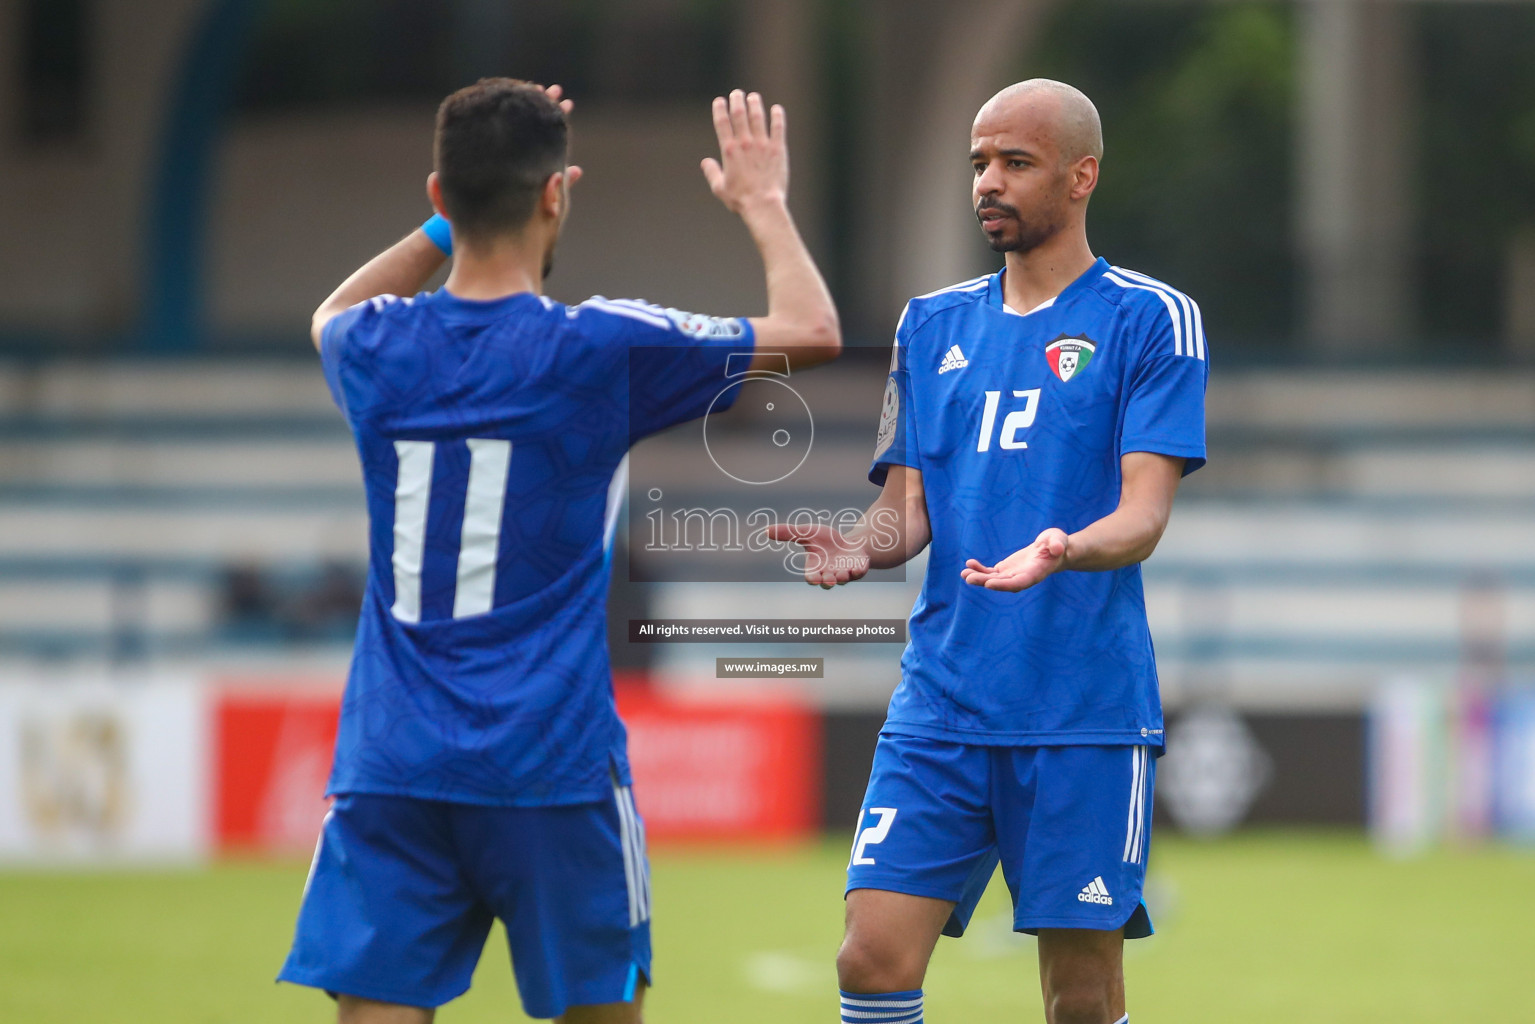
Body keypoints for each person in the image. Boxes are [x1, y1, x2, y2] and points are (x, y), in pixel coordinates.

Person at [279, 79, 839, 1024]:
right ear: (554, 195)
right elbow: (812, 332)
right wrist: (764, 203)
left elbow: (329, 312)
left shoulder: (376, 347)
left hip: (394, 760)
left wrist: (448, 221)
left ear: (438, 196)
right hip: (552, 763)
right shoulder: (599, 346)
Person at [772, 79, 1208, 1024]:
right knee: (870, 959)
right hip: (943, 701)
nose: (988, 183)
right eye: (978, 162)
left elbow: (1143, 516)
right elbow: (906, 514)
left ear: (1080, 176)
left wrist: (1062, 545)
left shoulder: (1150, 319)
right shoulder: (928, 325)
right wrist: (857, 547)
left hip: (1081, 709)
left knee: (1079, 997)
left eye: (1015, 163)